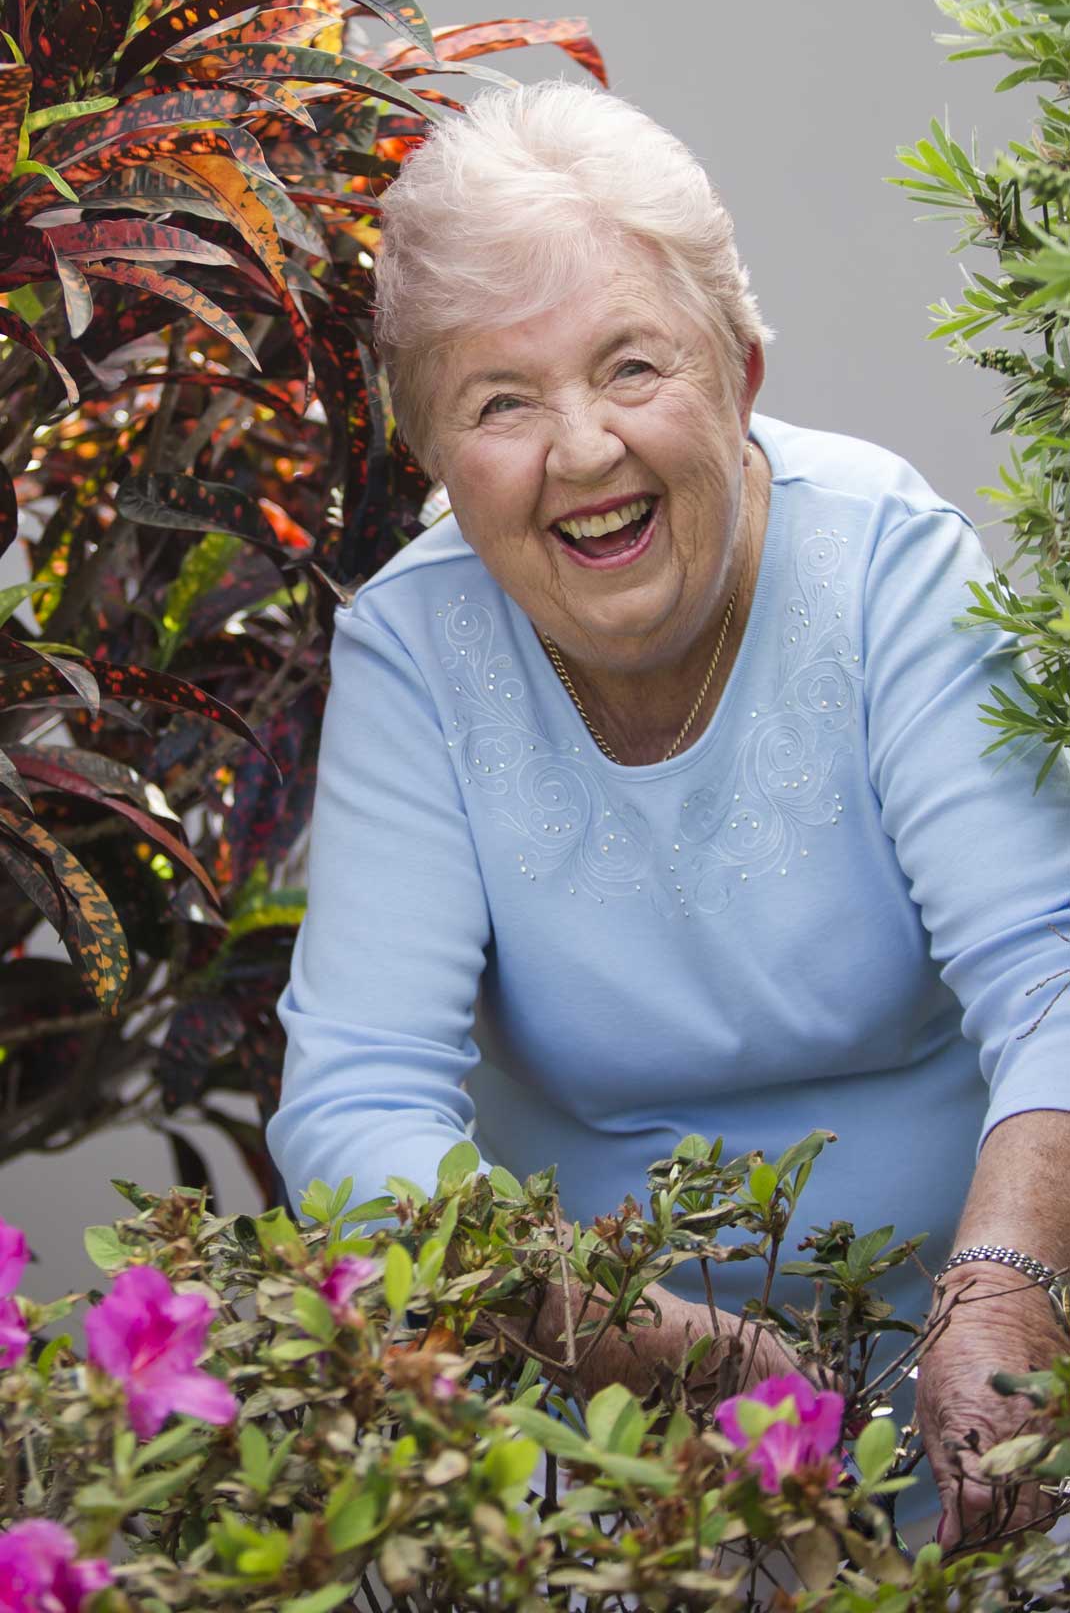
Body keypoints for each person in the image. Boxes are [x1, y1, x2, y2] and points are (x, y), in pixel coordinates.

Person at [267, 81, 1070, 1548]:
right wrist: (678, 1348)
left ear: (742, 373)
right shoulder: (414, 645)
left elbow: (1054, 981)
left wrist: (1010, 1289)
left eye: (632, 367)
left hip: (988, 1367)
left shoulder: (887, 563)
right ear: (432, 460)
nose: (581, 452)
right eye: (499, 403)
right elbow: (354, 1105)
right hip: (614, 1416)